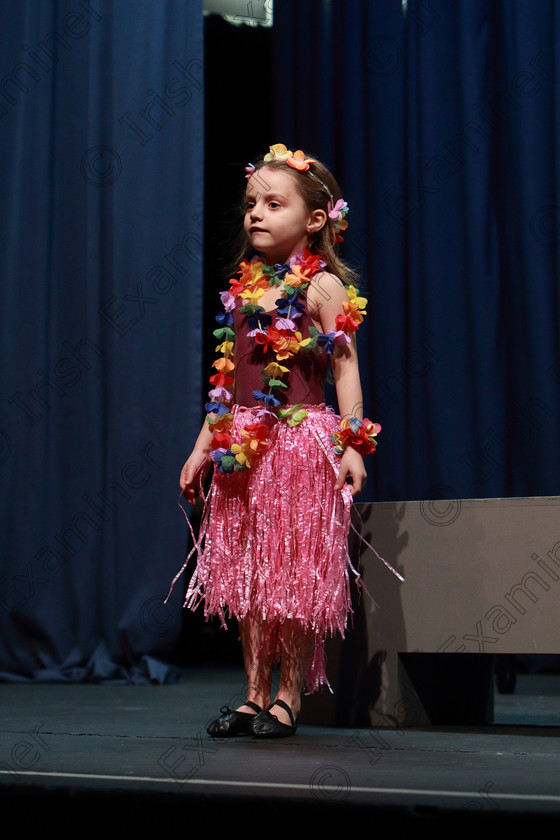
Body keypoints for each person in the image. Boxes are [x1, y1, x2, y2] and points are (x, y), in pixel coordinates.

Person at [168, 143, 381, 738]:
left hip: (299, 445)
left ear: (315, 220)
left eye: (272, 203)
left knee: (292, 573)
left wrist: (352, 445)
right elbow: (225, 385)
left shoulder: (323, 290)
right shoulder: (242, 292)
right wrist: (200, 447)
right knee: (250, 574)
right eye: (250, 204)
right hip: (243, 448)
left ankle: (290, 696)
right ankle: (253, 694)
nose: (255, 214)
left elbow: (346, 371)